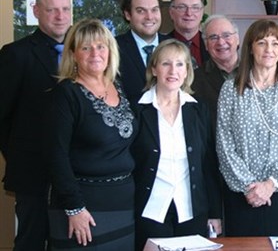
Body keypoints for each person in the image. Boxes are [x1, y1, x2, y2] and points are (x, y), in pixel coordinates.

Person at [46, 19, 136, 250]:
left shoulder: (119, 87)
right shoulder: (66, 94)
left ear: (110, 50)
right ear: (74, 54)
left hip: (123, 203)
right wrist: (74, 208)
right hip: (82, 206)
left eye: (101, 46)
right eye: (86, 47)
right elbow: (56, 155)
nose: (95, 53)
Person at [216, 20, 278, 236]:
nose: (269, 50)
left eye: (275, 44)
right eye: (262, 43)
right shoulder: (231, 89)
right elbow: (224, 145)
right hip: (243, 196)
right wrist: (250, 186)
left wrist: (270, 184)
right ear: (250, 48)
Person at [0, 0, 72, 251]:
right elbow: (3, 116)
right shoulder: (15, 54)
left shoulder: (84, 54)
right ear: (36, 11)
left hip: (76, 175)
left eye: (65, 9)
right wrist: (20, 155)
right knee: (31, 241)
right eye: (52, 9)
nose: (60, 16)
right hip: (33, 175)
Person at [132, 39, 222, 250]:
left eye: (180, 64)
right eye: (166, 64)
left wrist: (215, 213)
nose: (173, 70)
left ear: (187, 71)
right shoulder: (137, 109)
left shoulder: (198, 110)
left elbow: (208, 164)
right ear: (154, 69)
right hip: (151, 209)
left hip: (191, 209)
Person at [116, 0, 169, 104]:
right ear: (128, 15)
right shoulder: (113, 49)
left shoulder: (174, 46)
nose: (149, 17)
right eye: (141, 11)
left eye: (154, 10)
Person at [191, 15, 240, 129]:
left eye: (226, 35)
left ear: (237, 39)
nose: (221, 42)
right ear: (206, 45)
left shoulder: (255, 73)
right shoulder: (194, 81)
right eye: (213, 37)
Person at [168, 0, 209, 68]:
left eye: (195, 7)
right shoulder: (160, 45)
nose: (189, 13)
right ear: (171, 13)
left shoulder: (212, 44)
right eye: (182, 7)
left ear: (202, 13)